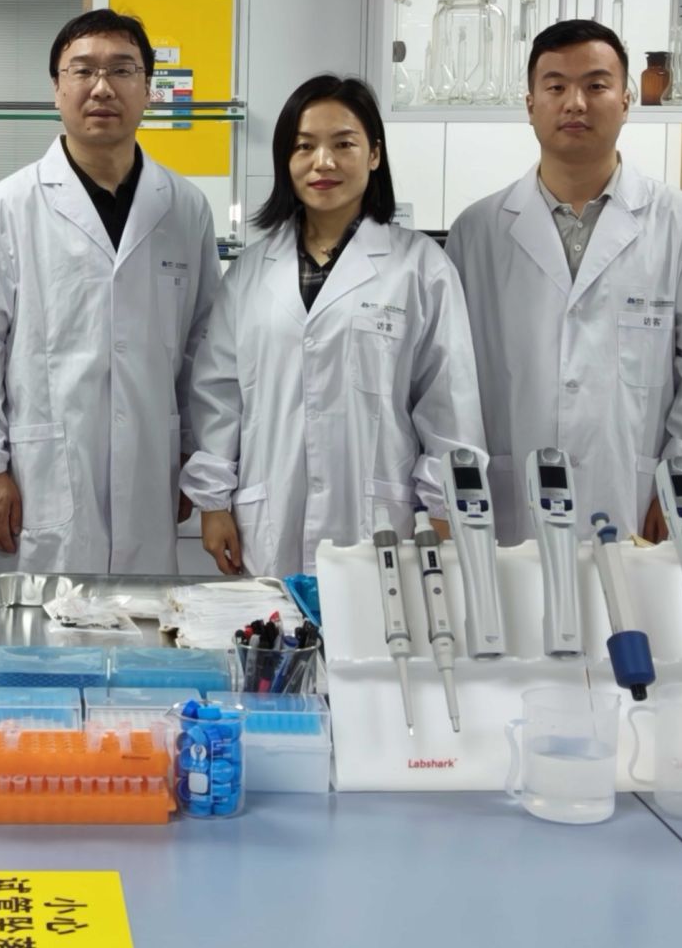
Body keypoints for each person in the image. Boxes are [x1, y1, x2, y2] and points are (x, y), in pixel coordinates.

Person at [445, 20, 682, 545]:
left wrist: (680, 483)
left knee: (633, 601)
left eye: (596, 85)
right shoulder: (477, 231)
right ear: (530, 104)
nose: (575, 103)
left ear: (627, 101)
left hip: (637, 501)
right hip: (510, 506)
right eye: (556, 86)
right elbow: (449, 381)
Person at [182, 75, 486, 577]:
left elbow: (448, 401)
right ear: (286, 160)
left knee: (376, 623)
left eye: (343, 144)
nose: (323, 162)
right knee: (277, 624)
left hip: (380, 522)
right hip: (269, 518)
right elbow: (218, 396)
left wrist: (442, 508)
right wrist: (213, 502)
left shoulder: (420, 267)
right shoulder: (250, 272)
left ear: (374, 154)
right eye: (304, 146)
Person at [0, 8, 218, 574]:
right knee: (44, 623)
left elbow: (202, 345)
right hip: (40, 471)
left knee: (144, 621)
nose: (102, 87)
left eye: (122, 70)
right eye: (83, 70)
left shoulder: (186, 207)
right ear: (57, 88)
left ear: (148, 89)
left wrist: (191, 453)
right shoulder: (8, 206)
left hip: (152, 466)